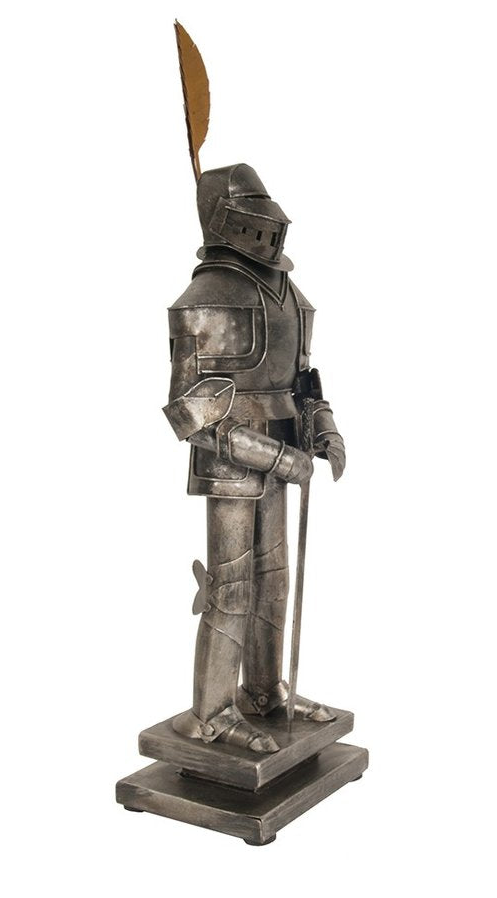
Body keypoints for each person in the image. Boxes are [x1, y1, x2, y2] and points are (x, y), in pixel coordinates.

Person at [162, 164, 346, 753]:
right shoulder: (208, 299)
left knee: (274, 582)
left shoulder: (287, 294)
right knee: (232, 587)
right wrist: (276, 457)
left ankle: (265, 692)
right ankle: (211, 714)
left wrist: (323, 428)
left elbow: (303, 381)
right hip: (232, 462)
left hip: (284, 452)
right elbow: (192, 414)